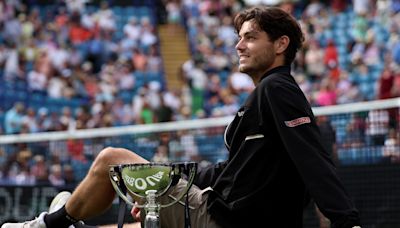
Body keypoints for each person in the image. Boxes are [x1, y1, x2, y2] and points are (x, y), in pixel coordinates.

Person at [2, 6, 361, 228]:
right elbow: (231, 172)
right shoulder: (269, 96)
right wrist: (172, 174)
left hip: (226, 222)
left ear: (280, 44)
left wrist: (347, 222)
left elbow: (313, 158)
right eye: (239, 37)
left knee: (111, 159)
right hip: (226, 212)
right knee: (138, 210)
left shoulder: (276, 89)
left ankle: (47, 225)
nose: (238, 45)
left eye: (250, 38)